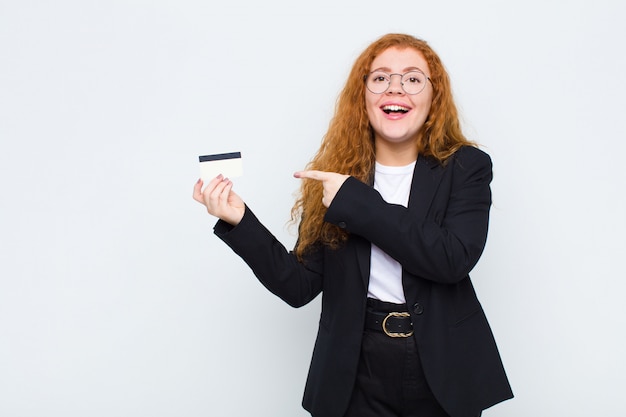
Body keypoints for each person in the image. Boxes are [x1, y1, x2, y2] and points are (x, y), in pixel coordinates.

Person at [193, 33, 513, 417]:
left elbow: (451, 259)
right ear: (363, 96)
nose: (395, 88)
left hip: (442, 364)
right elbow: (298, 285)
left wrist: (358, 203)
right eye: (380, 78)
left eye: (412, 79)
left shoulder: (467, 167)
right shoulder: (338, 175)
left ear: (434, 96)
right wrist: (241, 221)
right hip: (355, 368)